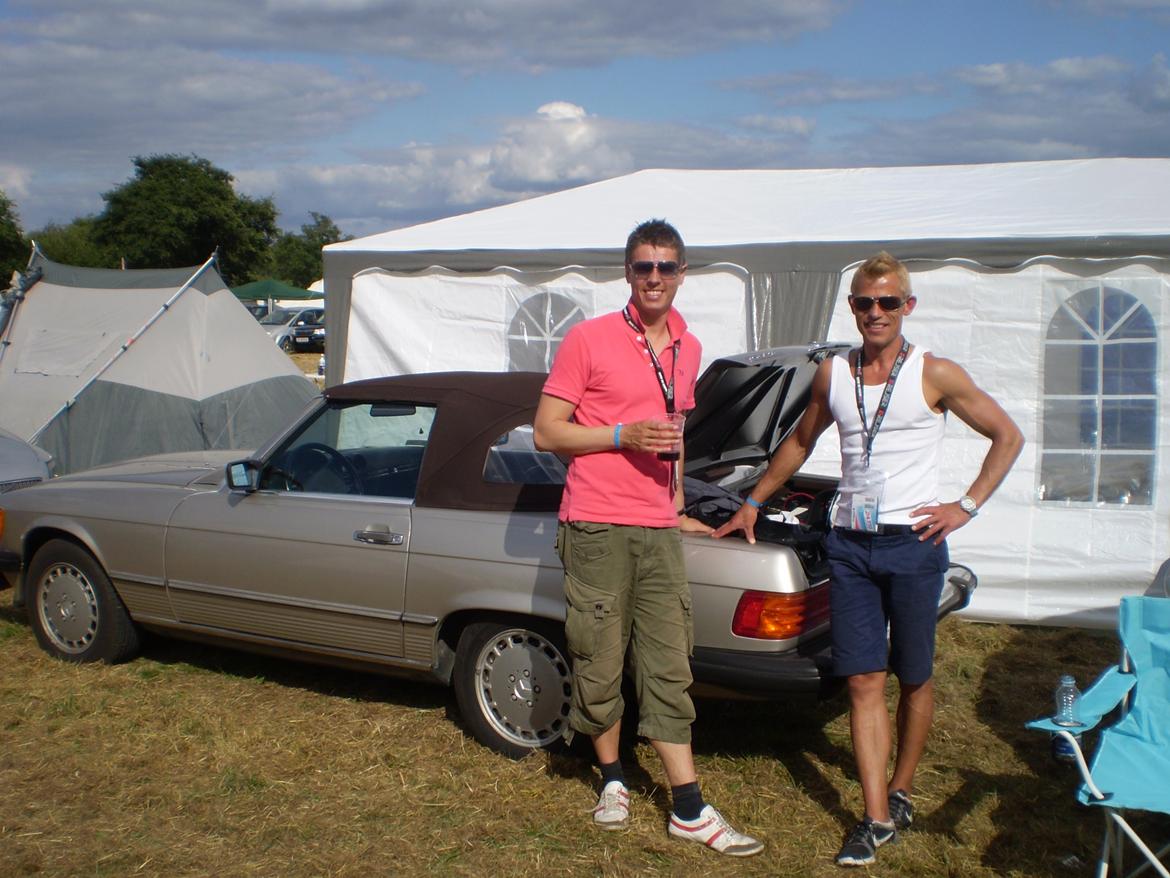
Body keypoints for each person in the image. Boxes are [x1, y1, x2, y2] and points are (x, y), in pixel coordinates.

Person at [713, 251, 1023, 867]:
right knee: (861, 678)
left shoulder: (935, 374)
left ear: (908, 307)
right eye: (863, 302)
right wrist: (751, 502)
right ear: (851, 308)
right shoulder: (833, 374)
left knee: (915, 675)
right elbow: (800, 441)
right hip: (849, 545)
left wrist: (965, 505)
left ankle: (901, 788)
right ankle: (876, 815)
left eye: (888, 302)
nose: (875, 312)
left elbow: (1007, 435)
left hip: (914, 544)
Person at [533, 218, 764, 857]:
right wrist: (618, 437)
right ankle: (611, 778)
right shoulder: (589, 339)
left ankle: (687, 806)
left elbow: (676, 433)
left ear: (681, 274)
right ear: (628, 273)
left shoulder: (687, 348)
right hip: (597, 525)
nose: (654, 277)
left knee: (668, 660)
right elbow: (548, 432)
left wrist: (678, 504)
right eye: (643, 267)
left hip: (657, 528)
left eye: (665, 267)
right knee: (599, 656)